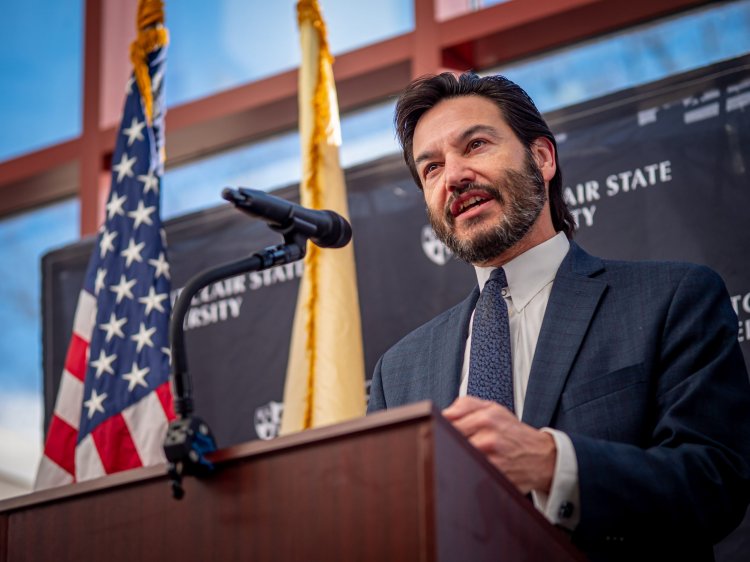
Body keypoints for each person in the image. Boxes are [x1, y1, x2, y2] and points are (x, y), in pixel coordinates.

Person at [367, 71, 750, 562]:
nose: (454, 177)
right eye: (432, 168)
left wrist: (553, 464)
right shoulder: (397, 372)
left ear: (542, 157)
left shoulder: (672, 298)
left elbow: (715, 482)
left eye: (476, 144)